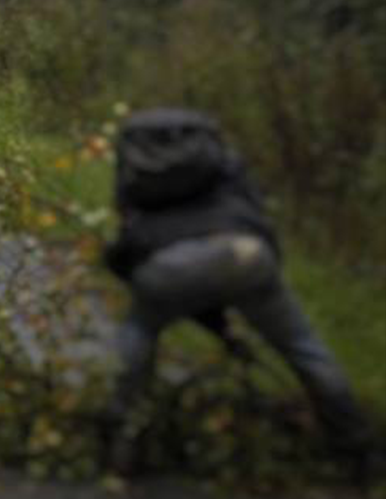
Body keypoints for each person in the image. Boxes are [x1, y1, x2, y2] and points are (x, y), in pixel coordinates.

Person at [100, 108, 378, 484]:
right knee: (302, 345)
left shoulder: (133, 167)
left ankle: (121, 446)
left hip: (165, 269)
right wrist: (233, 317)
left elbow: (128, 249)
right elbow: (257, 220)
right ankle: (358, 450)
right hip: (245, 254)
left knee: (139, 331)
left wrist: (210, 320)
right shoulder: (224, 162)